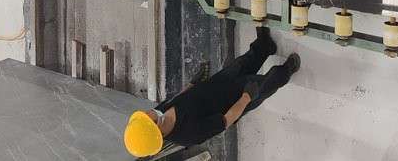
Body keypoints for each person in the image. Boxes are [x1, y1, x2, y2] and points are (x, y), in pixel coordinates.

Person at [123, 27, 300, 157]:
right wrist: (247, 96)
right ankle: (286, 71)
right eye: (148, 118)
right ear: (158, 131)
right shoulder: (190, 133)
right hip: (234, 101)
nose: (148, 112)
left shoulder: (159, 114)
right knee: (264, 83)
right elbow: (226, 120)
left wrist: (194, 82)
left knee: (242, 64)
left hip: (217, 85)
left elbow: (179, 99)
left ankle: (265, 45)